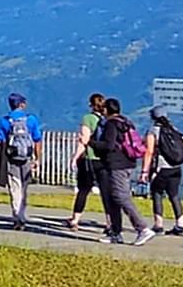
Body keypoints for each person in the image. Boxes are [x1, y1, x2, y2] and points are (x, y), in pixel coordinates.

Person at [95, 96, 156, 245]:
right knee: (113, 197)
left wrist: (90, 143)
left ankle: (142, 228)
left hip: (117, 164)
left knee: (121, 196)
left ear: (106, 110)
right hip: (128, 162)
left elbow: (108, 145)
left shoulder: (111, 124)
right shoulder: (126, 122)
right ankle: (116, 233)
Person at [0, 93, 44, 229]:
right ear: (22, 104)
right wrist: (37, 158)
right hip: (26, 157)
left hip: (11, 158)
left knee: (15, 187)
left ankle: (17, 217)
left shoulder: (4, 121)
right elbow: (37, 139)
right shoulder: (31, 120)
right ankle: (22, 213)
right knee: (24, 187)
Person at [64, 92, 106, 230]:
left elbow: (84, 140)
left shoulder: (88, 119)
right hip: (104, 160)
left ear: (91, 105)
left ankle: (75, 219)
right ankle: (110, 221)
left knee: (83, 190)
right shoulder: (108, 119)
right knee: (106, 193)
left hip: (89, 159)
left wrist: (75, 157)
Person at [146, 110, 183, 235]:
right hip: (176, 167)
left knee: (157, 194)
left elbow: (149, 151)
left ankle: (158, 225)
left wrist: (145, 171)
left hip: (161, 168)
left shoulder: (153, 131)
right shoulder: (173, 129)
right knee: (174, 195)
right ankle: (180, 224)